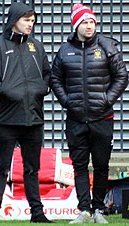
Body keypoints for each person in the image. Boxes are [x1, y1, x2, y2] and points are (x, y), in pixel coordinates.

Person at [50, 3, 128, 224]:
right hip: (75, 119)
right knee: (80, 165)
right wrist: (66, 102)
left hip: (102, 118)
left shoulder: (107, 46)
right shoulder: (65, 50)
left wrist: (107, 99)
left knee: (102, 165)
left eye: (92, 22)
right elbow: (55, 79)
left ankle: (99, 209)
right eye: (84, 22)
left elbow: (121, 76)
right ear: (76, 25)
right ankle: (83, 209)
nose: (89, 26)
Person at [0, 2, 52, 224]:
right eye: (26, 20)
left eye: (33, 21)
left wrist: (43, 88)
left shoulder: (37, 47)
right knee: (1, 167)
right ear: (14, 21)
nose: (30, 25)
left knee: (33, 168)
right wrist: (6, 91)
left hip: (33, 118)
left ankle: (37, 213)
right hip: (6, 119)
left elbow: (48, 74)